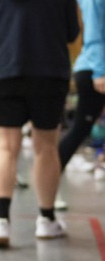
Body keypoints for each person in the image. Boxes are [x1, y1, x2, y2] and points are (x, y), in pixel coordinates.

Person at [0, 0, 79, 247]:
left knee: (5, 146)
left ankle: (1, 221)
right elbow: (71, 33)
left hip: (3, 70)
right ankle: (46, 219)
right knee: (45, 146)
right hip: (48, 71)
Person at [58, 0, 105, 176]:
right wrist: (99, 72)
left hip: (96, 67)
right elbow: (93, 34)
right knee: (79, 129)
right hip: (94, 69)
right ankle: (49, 180)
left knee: (80, 129)